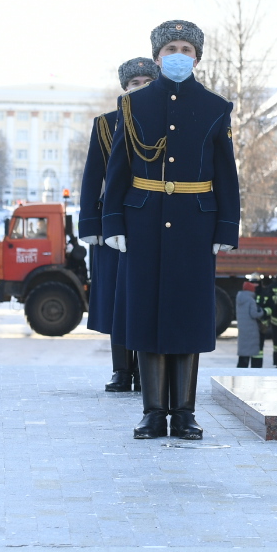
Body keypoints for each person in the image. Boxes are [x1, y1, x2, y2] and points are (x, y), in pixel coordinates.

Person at [103, 20, 240, 440]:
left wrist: (226, 225)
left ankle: (183, 413)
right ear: (158, 55)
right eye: (170, 49)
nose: (178, 55)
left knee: (187, 315)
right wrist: (112, 221)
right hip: (143, 221)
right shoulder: (134, 105)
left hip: (194, 224)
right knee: (145, 313)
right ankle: (151, 411)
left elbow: (225, 173)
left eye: (185, 48)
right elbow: (119, 169)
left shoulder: (216, 107)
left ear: (197, 56)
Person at [79, 57, 160, 393]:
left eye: (146, 82)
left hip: (152, 223)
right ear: (125, 90)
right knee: (117, 300)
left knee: (146, 299)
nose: (140, 88)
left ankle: (145, 372)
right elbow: (92, 177)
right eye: (134, 84)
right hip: (113, 227)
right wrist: (91, 225)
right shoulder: (106, 124)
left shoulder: (165, 123)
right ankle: (120, 371)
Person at [236, 277, 265, 368]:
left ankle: (241, 368)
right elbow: (254, 314)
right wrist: (262, 312)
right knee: (252, 350)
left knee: (244, 351)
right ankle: (254, 368)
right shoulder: (251, 300)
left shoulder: (239, 298)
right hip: (251, 329)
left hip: (242, 328)